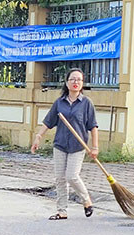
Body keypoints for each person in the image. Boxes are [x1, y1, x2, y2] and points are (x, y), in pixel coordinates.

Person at [31, 68, 97, 220]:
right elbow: (48, 121)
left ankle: (86, 199)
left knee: (72, 176)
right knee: (60, 178)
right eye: (72, 79)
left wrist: (95, 147)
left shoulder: (86, 104)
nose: (76, 82)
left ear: (82, 84)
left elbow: (93, 126)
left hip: (78, 146)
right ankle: (62, 211)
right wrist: (38, 137)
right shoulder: (59, 103)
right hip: (60, 144)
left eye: (79, 80)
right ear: (67, 83)